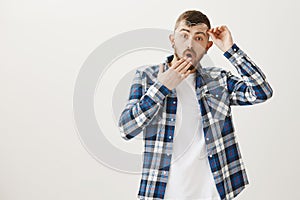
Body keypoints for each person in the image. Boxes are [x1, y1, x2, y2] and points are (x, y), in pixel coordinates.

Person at [118, 10, 273, 200]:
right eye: (183, 35)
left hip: (213, 191)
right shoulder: (147, 77)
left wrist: (230, 50)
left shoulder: (218, 80)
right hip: (162, 192)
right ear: (172, 40)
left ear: (207, 46)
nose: (190, 43)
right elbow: (126, 129)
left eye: (198, 38)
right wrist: (162, 87)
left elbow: (262, 92)